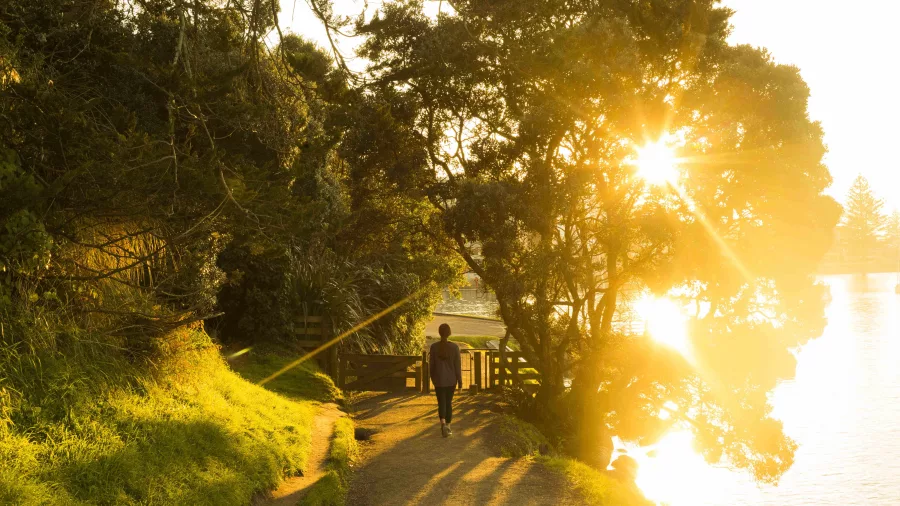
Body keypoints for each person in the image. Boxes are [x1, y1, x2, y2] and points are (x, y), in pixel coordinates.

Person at [429, 323, 462, 437]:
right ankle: (448, 426)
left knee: (441, 402)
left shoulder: (434, 347)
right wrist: (460, 383)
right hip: (451, 380)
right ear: (449, 333)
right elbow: (457, 366)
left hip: (439, 380)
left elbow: (431, 366)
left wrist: (433, 379)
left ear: (439, 332)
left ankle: (442, 423)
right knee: (448, 403)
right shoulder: (455, 347)